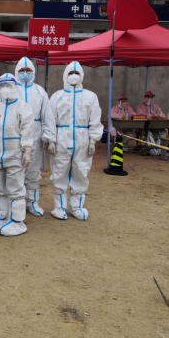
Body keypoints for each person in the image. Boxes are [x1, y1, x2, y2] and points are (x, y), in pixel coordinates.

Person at [43, 62, 103, 221]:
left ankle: (77, 207)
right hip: (61, 137)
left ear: (82, 75)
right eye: (71, 73)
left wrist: (93, 140)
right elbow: (50, 119)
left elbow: (95, 119)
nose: (74, 75)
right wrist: (51, 140)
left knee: (81, 172)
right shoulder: (57, 96)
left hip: (83, 138)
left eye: (77, 72)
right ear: (65, 75)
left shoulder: (90, 96)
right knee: (59, 172)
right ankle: (59, 207)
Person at [0, 73, 34, 236]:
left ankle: (17, 221)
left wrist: (27, 150)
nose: (5, 88)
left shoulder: (23, 107)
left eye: (8, 85)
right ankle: (1, 217)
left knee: (15, 189)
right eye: (2, 86)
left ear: (15, 87)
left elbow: (27, 130)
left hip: (15, 155)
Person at [15, 57, 49, 217]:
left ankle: (32, 202)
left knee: (33, 170)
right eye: (22, 70)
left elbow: (47, 115)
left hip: (35, 132)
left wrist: (47, 136)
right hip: (15, 133)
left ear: (33, 72)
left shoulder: (40, 91)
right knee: (15, 169)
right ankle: (16, 201)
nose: (25, 73)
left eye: (28, 70)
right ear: (16, 71)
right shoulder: (11, 89)